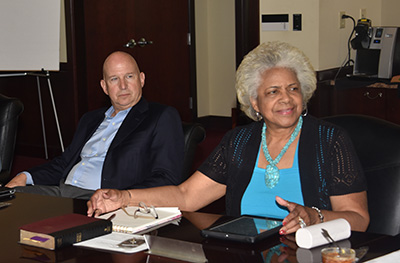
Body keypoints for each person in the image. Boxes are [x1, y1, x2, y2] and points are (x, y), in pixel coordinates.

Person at [87, 41, 369, 234]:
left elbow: (359, 220)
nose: (286, 98)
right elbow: (186, 196)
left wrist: (314, 217)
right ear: (254, 103)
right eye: (272, 91)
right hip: (244, 253)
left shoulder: (329, 140)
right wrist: (124, 197)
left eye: (293, 89)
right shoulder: (239, 142)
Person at [6, 51, 184, 199]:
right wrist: (25, 176)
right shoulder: (90, 119)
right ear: (104, 87)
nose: (123, 85)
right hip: (61, 192)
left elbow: (167, 177)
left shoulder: (161, 116)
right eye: (114, 79)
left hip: (100, 200)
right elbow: (64, 163)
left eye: (129, 76)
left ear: (142, 79)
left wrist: (123, 197)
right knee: (8, 198)